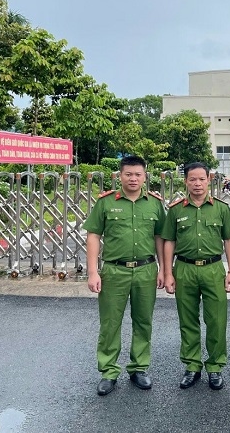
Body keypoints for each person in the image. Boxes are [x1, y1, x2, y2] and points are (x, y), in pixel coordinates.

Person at [83, 155, 166, 397]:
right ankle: (109, 371)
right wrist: (92, 272)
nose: (133, 178)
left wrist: (163, 269)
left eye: (138, 174)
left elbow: (161, 237)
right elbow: (93, 236)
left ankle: (139, 367)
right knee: (110, 322)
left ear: (144, 176)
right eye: (128, 174)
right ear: (120, 176)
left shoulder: (154, 203)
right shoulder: (106, 203)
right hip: (114, 271)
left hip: (146, 270)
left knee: (143, 321)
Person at [162, 162, 230, 391]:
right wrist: (168, 273)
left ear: (209, 180)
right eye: (192, 179)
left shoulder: (221, 209)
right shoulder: (176, 210)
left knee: (216, 320)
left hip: (213, 269)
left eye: (201, 179)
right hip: (184, 269)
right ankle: (192, 365)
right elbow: (169, 242)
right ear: (185, 181)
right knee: (187, 320)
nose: (197, 184)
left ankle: (215, 367)